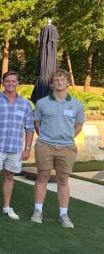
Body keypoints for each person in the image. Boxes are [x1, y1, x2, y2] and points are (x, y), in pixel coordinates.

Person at [31, 69, 84, 228]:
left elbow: (79, 125)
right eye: (56, 80)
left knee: (63, 181)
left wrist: (66, 137)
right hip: (45, 146)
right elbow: (37, 124)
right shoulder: (41, 103)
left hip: (67, 148)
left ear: (68, 82)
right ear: (51, 83)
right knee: (42, 177)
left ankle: (63, 214)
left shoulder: (77, 104)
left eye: (62, 79)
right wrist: (47, 138)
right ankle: (38, 211)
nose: (59, 82)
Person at [0, 71, 34, 220]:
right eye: (7, 81)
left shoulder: (25, 105)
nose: (10, 84)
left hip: (15, 148)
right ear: (3, 83)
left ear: (18, 83)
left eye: (13, 81)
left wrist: (27, 149)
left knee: (10, 176)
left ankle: (6, 207)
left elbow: (29, 129)